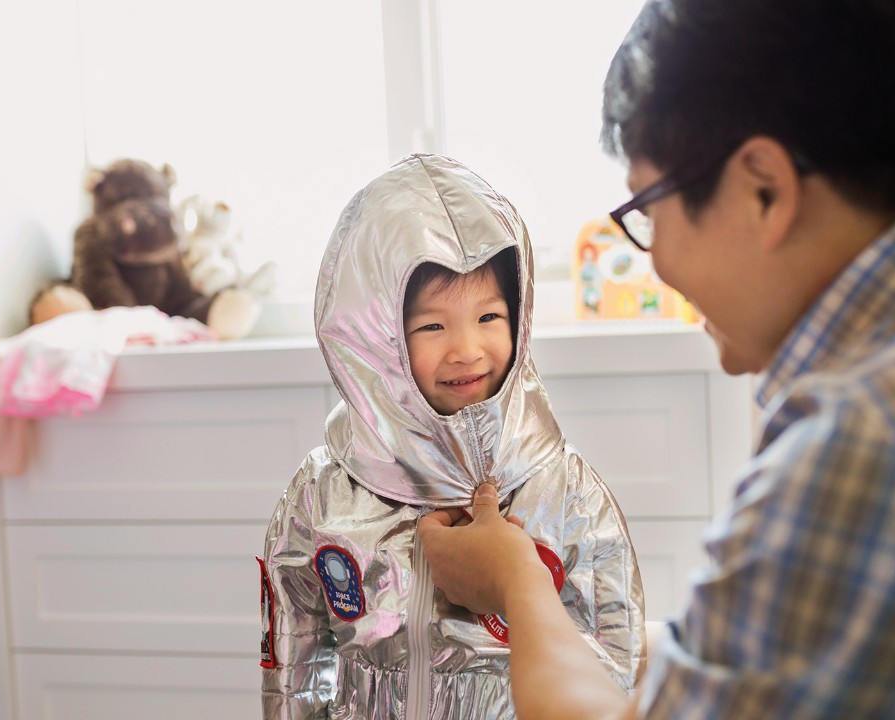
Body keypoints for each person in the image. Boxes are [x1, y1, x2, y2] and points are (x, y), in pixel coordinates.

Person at [418, 0, 895, 718]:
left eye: (650, 211)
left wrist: (516, 584)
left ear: (764, 190)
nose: (659, 264)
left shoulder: (858, 455)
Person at [258, 153, 646, 718]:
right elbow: (294, 659)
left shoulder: (566, 493)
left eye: (489, 318)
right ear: (377, 340)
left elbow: (616, 661)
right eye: (432, 325)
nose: (466, 349)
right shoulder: (324, 493)